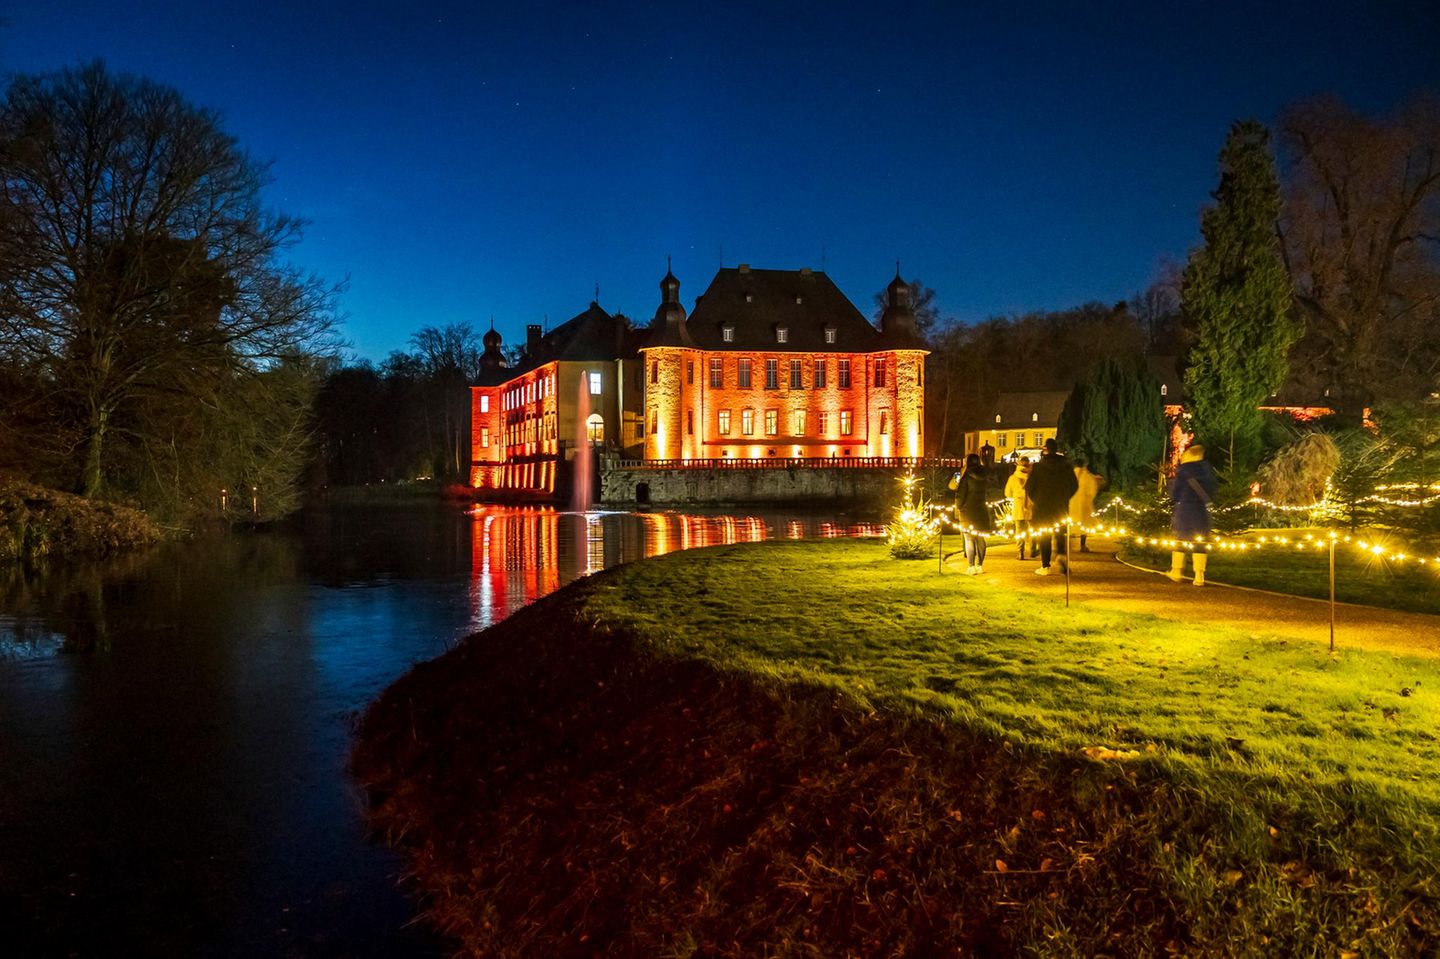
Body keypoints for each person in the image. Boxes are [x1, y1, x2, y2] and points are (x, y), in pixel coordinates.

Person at [1026, 438, 1078, 576]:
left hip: (1042, 506)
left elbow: (1029, 487)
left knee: (1044, 535)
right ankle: (1061, 554)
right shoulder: (1066, 466)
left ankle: (1045, 565)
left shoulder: (1038, 467)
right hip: (1060, 505)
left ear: (1045, 450)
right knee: (1060, 533)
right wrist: (1065, 497)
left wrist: (1036, 499)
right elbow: (1074, 485)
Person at [1168, 443, 1218, 585]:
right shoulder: (1206, 470)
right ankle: (1199, 576)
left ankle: (1177, 571)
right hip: (1201, 512)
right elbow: (1213, 488)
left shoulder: (1183, 470)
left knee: (1180, 540)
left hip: (1185, 510)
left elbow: (1175, 493)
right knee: (1199, 541)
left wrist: (1175, 497)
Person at [950, 453, 991, 574]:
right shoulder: (984, 475)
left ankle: (971, 566)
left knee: (968, 539)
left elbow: (958, 491)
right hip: (981, 509)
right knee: (980, 538)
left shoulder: (965, 475)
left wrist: (959, 506)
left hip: (967, 510)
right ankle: (980, 565)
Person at [1069, 459, 1105, 552]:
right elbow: (1092, 490)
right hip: (1084, 504)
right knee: (1084, 525)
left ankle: (1068, 545)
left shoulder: (1070, 475)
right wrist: (1088, 499)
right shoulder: (1087, 476)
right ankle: (1082, 545)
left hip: (1071, 503)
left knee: (1069, 523)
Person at [1004, 457, 1035, 559]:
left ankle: (1020, 552)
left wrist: (1015, 495)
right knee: (1032, 529)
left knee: (1019, 530)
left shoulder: (1013, 478)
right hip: (1031, 506)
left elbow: (1007, 493)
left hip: (1018, 505)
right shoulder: (1032, 477)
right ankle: (1032, 549)